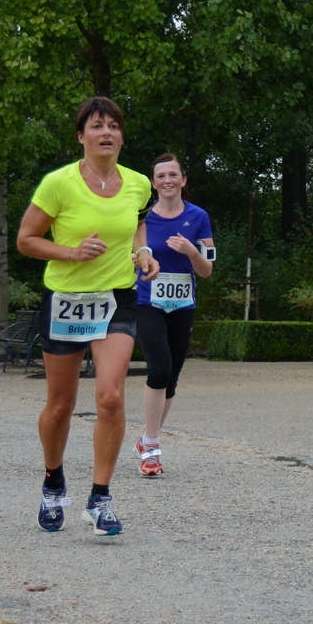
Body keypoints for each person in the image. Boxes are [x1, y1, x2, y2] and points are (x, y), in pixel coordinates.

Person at [16, 96, 157, 536]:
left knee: (111, 396)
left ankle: (100, 498)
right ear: (81, 136)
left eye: (114, 126)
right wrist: (70, 253)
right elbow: (26, 239)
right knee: (61, 405)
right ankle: (53, 482)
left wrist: (143, 251)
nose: (107, 133)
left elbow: (136, 223)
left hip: (117, 297)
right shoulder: (57, 184)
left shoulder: (137, 183)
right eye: (97, 126)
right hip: (66, 297)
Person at [131, 153, 214, 477]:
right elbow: (130, 256)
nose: (167, 180)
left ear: (183, 180)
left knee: (172, 379)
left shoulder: (198, 217)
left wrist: (191, 251)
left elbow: (206, 271)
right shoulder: (143, 218)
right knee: (160, 370)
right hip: (147, 301)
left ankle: (147, 440)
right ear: (153, 183)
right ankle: (151, 447)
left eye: (173, 175)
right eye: (161, 176)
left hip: (183, 305)